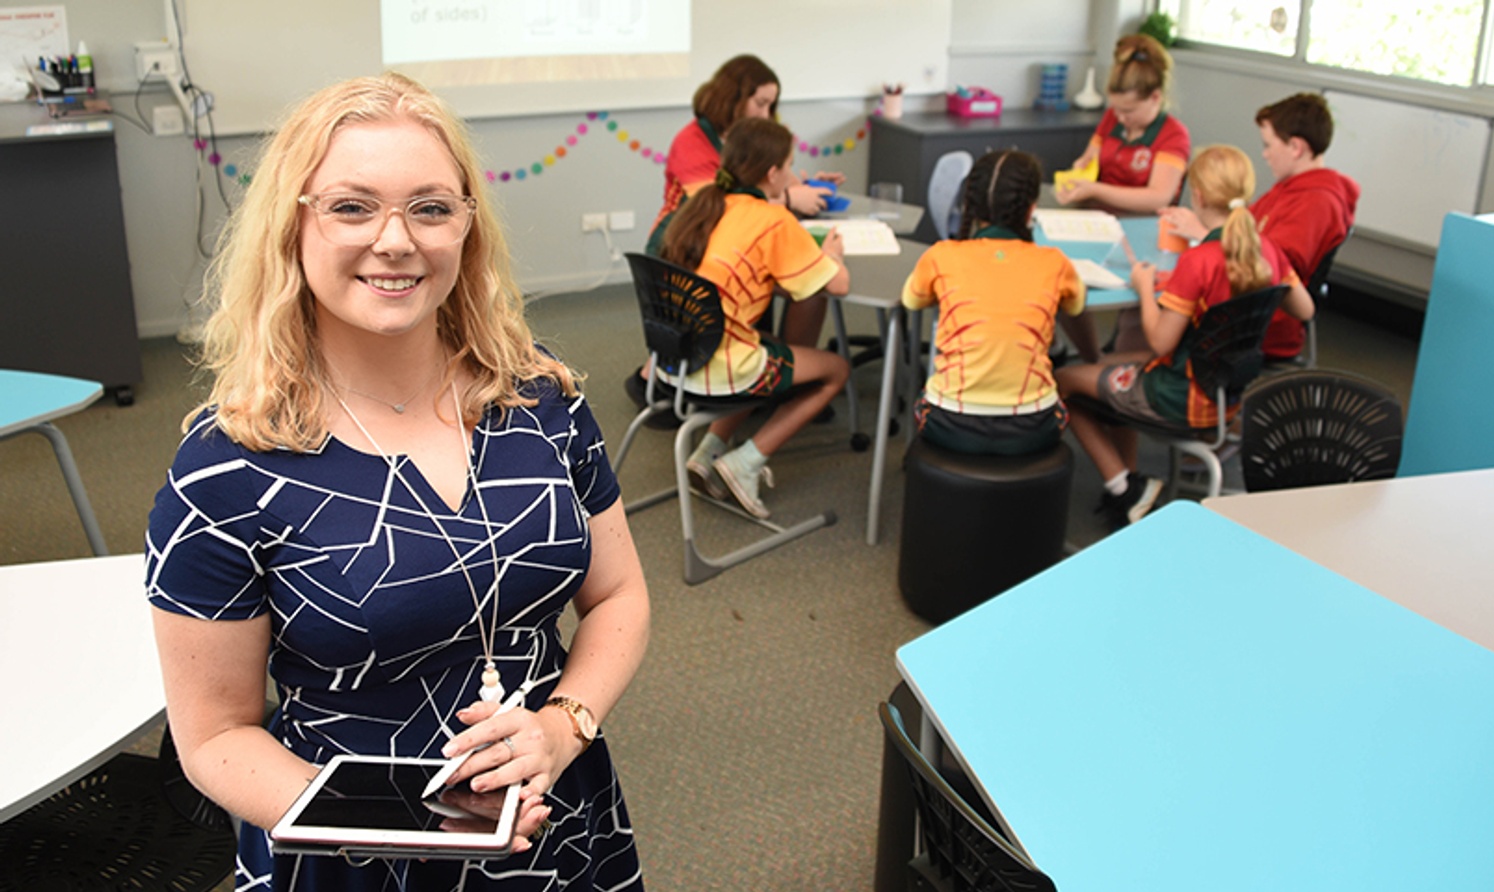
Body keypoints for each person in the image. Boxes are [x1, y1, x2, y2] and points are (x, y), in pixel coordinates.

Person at [145, 73, 651, 891]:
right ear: (293, 225)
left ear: (467, 228)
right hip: (352, 849)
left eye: (430, 207)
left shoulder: (539, 398)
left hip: (557, 815)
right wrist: (411, 825)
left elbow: (619, 596)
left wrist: (564, 729)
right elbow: (213, 739)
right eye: (351, 207)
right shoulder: (227, 468)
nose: (396, 240)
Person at [1056, 144, 1315, 530]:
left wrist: (1145, 288)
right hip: (1226, 395)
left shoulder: (1199, 261)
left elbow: (1160, 343)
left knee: (1061, 382)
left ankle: (1124, 488)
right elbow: (1305, 309)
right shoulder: (1267, 250)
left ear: (1197, 195)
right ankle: (1130, 483)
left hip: (1179, 396)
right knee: (1109, 365)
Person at [658, 116, 851, 519]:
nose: (794, 174)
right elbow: (838, 286)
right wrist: (832, 255)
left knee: (759, 348)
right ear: (773, 172)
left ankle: (709, 449)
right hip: (723, 368)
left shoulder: (705, 205)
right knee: (835, 370)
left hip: (674, 360)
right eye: (790, 165)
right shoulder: (773, 220)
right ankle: (745, 462)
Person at [634, 54, 844, 415]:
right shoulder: (693, 143)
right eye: (761, 103)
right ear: (734, 98)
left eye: (771, 105)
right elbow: (716, 199)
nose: (766, 113)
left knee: (789, 288)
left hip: (716, 247)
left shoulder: (746, 140)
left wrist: (805, 183)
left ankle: (786, 379)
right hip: (684, 244)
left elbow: (765, 179)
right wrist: (793, 197)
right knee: (800, 284)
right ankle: (783, 382)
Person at [901, 150, 1086, 455]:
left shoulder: (942, 255)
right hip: (1032, 426)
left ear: (968, 207)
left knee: (926, 399)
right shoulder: (1054, 262)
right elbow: (1077, 307)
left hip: (949, 422)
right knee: (1063, 390)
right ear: (1031, 209)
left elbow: (911, 300)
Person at [1160, 92, 1360, 360]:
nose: (1264, 155)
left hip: (1257, 323)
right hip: (1247, 308)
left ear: (1296, 148)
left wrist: (1205, 234)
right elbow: (1244, 227)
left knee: (1162, 314)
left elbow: (1268, 269)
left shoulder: (1316, 203)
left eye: (1268, 145)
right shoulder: (1291, 188)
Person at [1056, 33, 1191, 215]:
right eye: (1115, 108)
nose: (1120, 118)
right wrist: (1079, 171)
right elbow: (1089, 160)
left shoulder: (1174, 135)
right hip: (1098, 215)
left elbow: (1158, 198)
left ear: (1155, 97)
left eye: (1128, 111)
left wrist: (1095, 190)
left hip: (1143, 221)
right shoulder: (1112, 117)